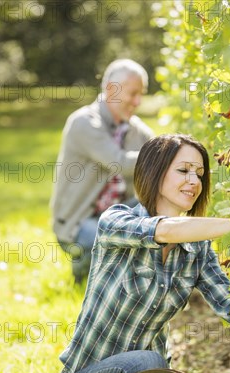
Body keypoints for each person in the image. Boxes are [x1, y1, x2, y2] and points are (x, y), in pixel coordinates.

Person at [56, 134, 230, 373]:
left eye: (200, 174)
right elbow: (164, 231)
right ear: (155, 171)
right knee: (150, 362)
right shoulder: (116, 222)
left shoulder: (196, 250)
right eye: (183, 170)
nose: (194, 180)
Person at [50, 59, 154, 283]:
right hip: (78, 223)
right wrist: (163, 156)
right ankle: (85, 269)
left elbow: (157, 151)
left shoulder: (136, 129)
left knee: (156, 210)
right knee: (122, 235)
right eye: (132, 93)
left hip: (115, 213)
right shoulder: (84, 122)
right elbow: (119, 162)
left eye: (141, 94)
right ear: (110, 89)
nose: (138, 101)